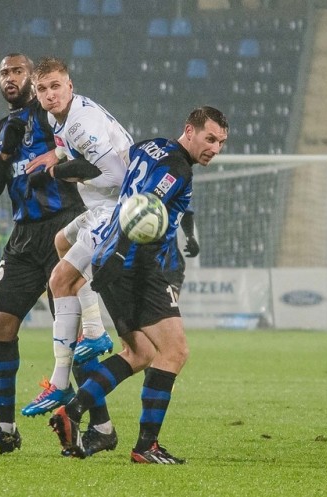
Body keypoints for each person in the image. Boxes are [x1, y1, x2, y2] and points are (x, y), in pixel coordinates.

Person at [48, 106, 229, 464]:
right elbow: (143, 207)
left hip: (110, 259)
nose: (216, 148)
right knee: (174, 352)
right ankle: (146, 446)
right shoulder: (176, 168)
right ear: (189, 131)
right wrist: (120, 257)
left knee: (141, 353)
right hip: (137, 266)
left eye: (222, 142)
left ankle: (71, 410)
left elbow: (119, 172)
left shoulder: (149, 146)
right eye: (210, 139)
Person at [0, 53, 86, 457]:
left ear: (34, 78)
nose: (10, 78)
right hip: (22, 239)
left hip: (63, 229)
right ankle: (6, 430)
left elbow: (88, 157)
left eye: (18, 71)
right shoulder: (1, 129)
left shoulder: (55, 114)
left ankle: (89, 426)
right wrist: (5, 153)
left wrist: (56, 159)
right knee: (1, 325)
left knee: (74, 335)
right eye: (4, 72)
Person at [19, 58, 132, 458]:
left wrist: (57, 171)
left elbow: (112, 174)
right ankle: (95, 330)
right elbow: (75, 158)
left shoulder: (81, 122)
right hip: (104, 202)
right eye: (43, 89)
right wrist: (56, 159)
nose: (50, 94)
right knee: (61, 242)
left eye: (56, 86)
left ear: (69, 85)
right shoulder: (59, 119)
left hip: (119, 204)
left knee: (59, 281)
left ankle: (59, 380)